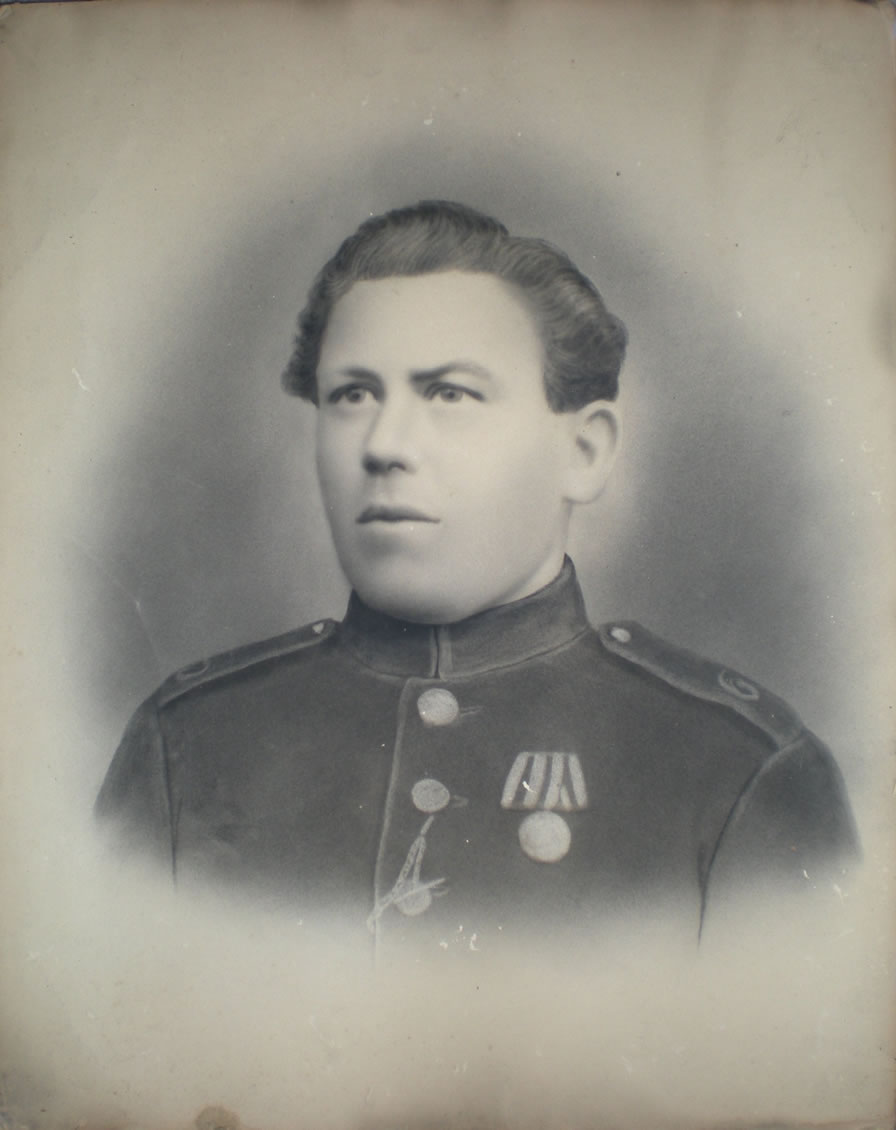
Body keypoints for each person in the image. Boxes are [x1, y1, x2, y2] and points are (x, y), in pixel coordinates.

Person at [95, 200, 859, 948]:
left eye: (449, 393)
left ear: (584, 452)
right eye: (352, 395)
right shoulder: (184, 745)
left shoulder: (740, 770)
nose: (384, 444)